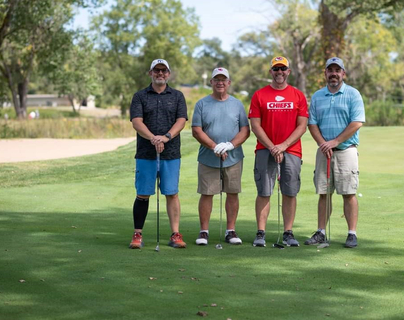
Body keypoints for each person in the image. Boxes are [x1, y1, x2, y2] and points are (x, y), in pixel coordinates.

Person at [248, 56, 309, 247]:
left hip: (291, 151)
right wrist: (272, 147)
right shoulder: (259, 95)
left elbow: (302, 126)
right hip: (265, 150)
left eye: (283, 69)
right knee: (264, 191)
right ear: (271, 72)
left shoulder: (298, 95)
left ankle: (288, 233)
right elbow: (255, 126)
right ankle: (261, 233)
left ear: (289, 71)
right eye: (276, 69)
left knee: (289, 192)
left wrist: (282, 146)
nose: (280, 72)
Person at [306, 57, 365, 248]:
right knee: (324, 193)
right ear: (325, 73)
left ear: (343, 73)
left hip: (345, 150)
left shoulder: (353, 94)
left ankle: (352, 234)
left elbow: (356, 122)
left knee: (349, 192)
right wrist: (324, 144)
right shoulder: (317, 96)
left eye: (337, 70)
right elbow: (312, 123)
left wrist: (335, 142)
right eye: (330, 70)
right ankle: (321, 232)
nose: (333, 73)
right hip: (324, 151)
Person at [129, 58, 188, 249]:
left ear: (168, 74)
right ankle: (137, 234)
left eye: (164, 71)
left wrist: (166, 137)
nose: (160, 74)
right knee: (143, 194)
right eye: (157, 70)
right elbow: (137, 122)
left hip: (170, 153)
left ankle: (175, 234)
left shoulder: (178, 96)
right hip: (146, 153)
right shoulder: (140, 96)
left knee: (171, 193)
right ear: (150, 73)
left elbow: (181, 121)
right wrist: (154, 138)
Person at [191, 67, 250, 245]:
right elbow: (196, 130)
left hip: (233, 158)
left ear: (229, 82)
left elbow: (245, 130)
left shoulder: (237, 104)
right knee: (207, 193)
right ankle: (204, 232)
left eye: (223, 79)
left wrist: (230, 145)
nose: (220, 82)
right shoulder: (202, 104)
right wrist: (214, 147)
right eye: (216, 79)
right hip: (208, 157)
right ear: (211, 82)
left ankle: (230, 231)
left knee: (232, 193)